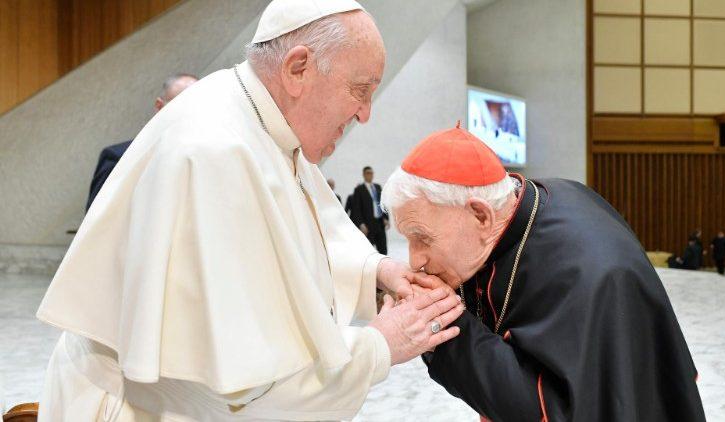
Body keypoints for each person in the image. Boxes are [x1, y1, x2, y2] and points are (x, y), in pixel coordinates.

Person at [36, 1, 463, 420]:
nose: (365, 114)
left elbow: (304, 239)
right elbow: (248, 394)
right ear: (298, 69)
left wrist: (378, 272)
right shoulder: (212, 150)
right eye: (360, 90)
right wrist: (381, 345)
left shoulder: (266, 127)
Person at [380, 126, 705, 421]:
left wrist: (442, 323)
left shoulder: (583, 272)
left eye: (421, 238)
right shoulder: (518, 205)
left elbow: (555, 410)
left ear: (480, 216)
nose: (415, 259)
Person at [86, 73, 198, 210]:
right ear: (159, 106)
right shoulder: (119, 157)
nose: (190, 113)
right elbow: (96, 222)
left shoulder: (213, 156)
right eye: (181, 104)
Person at [350, 166, 389, 254]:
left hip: (379, 223)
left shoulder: (378, 187)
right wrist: (361, 224)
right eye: (368, 173)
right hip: (367, 225)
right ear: (363, 175)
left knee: (383, 250)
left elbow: (383, 203)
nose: (370, 175)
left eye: (371, 173)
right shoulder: (359, 189)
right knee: (368, 251)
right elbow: (356, 209)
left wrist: (386, 218)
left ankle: (383, 266)